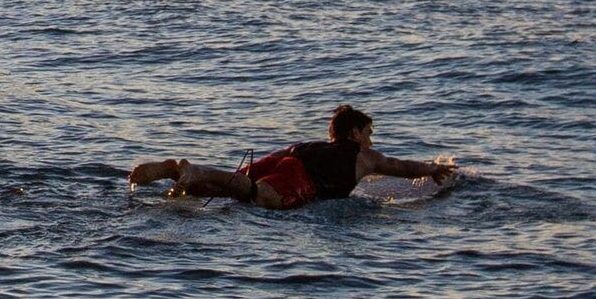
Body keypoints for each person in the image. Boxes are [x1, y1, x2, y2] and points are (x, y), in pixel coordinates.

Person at [127, 105, 456, 209]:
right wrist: (432, 168)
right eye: (368, 132)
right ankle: (193, 170)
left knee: (232, 189)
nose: (371, 139)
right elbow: (399, 166)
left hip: (286, 156)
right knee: (262, 196)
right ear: (355, 133)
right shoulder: (362, 155)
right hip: (301, 176)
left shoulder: (318, 144)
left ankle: (179, 175)